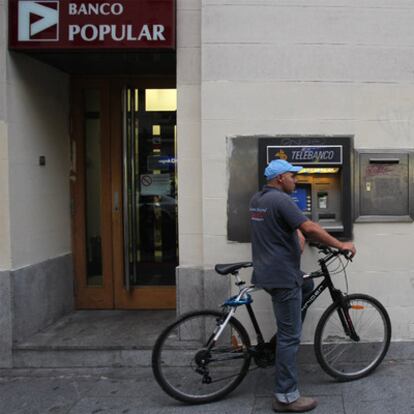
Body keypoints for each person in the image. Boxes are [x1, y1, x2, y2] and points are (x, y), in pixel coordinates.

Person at [249, 159, 356, 413]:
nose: (296, 181)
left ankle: (281, 338)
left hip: (266, 271)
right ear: (279, 179)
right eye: (292, 177)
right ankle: (286, 396)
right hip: (283, 276)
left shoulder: (258, 199)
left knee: (306, 287)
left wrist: (296, 236)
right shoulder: (282, 200)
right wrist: (341, 245)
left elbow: (279, 228)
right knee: (290, 338)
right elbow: (309, 227)